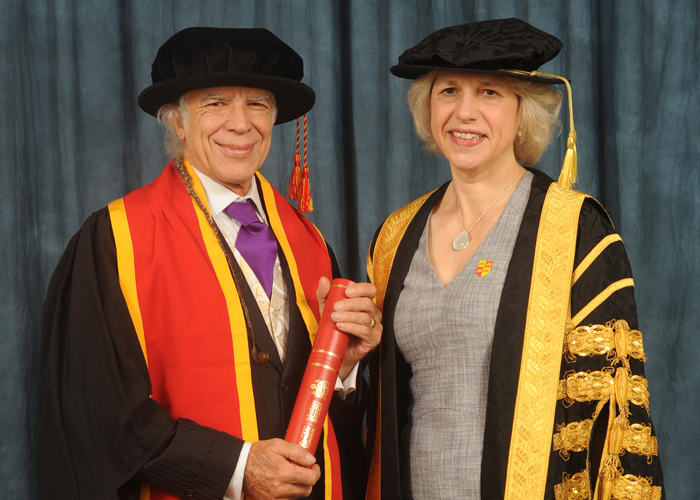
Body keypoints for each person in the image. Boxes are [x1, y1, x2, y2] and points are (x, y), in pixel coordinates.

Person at [38, 27, 381, 500]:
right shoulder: (117, 239)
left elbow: (327, 419)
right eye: (216, 103)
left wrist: (341, 369)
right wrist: (237, 469)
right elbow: (98, 409)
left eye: (257, 104)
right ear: (178, 122)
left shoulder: (309, 242)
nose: (241, 124)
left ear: (274, 118)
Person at [365, 18, 664, 500]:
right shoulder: (395, 237)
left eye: (489, 93)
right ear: (427, 107)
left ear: (524, 110)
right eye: (448, 92)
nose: (464, 112)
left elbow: (612, 415)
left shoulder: (574, 229)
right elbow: (381, 406)